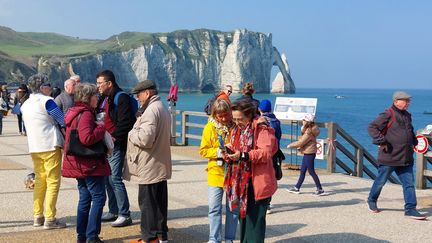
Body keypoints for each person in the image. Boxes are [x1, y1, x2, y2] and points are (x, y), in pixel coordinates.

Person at [223, 99, 278, 243]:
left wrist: (243, 155)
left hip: (257, 183)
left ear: (249, 115)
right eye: (234, 119)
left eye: (240, 119)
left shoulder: (261, 128)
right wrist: (228, 152)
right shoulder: (237, 129)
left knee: (255, 225)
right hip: (242, 184)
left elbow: (266, 152)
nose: (237, 122)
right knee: (245, 223)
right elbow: (235, 146)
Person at [62, 83, 111, 243]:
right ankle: (92, 236)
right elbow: (87, 138)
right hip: (89, 164)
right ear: (88, 98)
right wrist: (101, 128)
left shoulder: (73, 112)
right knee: (98, 197)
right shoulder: (87, 114)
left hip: (77, 162)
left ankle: (82, 235)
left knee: (84, 198)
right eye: (95, 95)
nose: (98, 98)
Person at [124, 80, 172, 243]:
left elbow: (145, 139)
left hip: (149, 165)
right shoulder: (161, 108)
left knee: (147, 204)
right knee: (159, 203)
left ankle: (149, 238)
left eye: (139, 95)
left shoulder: (150, 111)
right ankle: (161, 236)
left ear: (147, 93)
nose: (138, 98)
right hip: (159, 164)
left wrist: (131, 133)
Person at [367, 91, 426, 220]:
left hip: (406, 157)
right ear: (396, 101)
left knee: (409, 184)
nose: (408, 103)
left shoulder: (407, 115)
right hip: (390, 156)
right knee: (381, 181)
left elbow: (409, 130)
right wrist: (381, 141)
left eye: (408, 101)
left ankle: (410, 209)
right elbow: (372, 127)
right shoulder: (388, 113)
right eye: (405, 101)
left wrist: (415, 142)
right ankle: (372, 200)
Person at [20, 74, 66, 229]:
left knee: (40, 180)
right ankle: (50, 218)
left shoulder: (25, 104)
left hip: (35, 146)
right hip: (50, 144)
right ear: (41, 87)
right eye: (48, 84)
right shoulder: (47, 101)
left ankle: (37, 215)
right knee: (53, 182)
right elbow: (62, 119)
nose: (51, 87)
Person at [96, 70, 135, 227]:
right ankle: (113, 210)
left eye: (100, 83)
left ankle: (124, 214)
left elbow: (126, 122)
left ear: (109, 83)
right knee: (107, 178)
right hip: (105, 144)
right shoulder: (104, 99)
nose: (97, 86)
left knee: (115, 179)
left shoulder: (121, 98)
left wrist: (113, 138)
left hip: (115, 144)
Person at [199, 99, 238, 243]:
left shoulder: (236, 127)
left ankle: (229, 239)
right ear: (215, 115)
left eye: (225, 115)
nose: (223, 119)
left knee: (232, 208)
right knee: (214, 208)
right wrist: (218, 152)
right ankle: (213, 238)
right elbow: (203, 150)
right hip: (215, 172)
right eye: (219, 116)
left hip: (233, 172)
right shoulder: (209, 128)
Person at [286, 113, 325, 196]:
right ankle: (297, 188)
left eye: (303, 120)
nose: (302, 121)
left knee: (311, 172)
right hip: (308, 152)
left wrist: (290, 145)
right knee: (303, 171)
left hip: (309, 153)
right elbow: (304, 142)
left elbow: (301, 142)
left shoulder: (309, 132)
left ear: (307, 121)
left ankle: (320, 188)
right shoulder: (310, 129)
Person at [258, 99, 282, 214]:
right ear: (271, 109)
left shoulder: (261, 121)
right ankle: (268, 203)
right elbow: (279, 136)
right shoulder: (276, 121)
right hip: (274, 152)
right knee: (270, 175)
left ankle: (262, 201)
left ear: (259, 109)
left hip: (264, 151)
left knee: (262, 175)